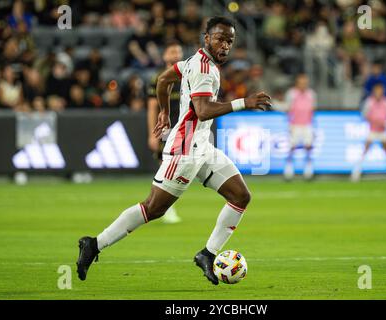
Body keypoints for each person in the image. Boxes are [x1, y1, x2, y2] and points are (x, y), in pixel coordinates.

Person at [76, 16, 271, 285]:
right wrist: (243, 102)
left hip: (202, 147)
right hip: (185, 150)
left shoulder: (194, 62)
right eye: (220, 38)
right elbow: (202, 111)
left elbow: (163, 79)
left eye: (230, 40)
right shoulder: (203, 68)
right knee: (153, 209)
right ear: (206, 38)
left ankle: (207, 254)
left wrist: (166, 113)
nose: (225, 45)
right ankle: (94, 244)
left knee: (240, 196)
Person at [147, 41, 184, 224]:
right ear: (164, 56)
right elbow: (152, 107)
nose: (176, 54)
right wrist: (151, 133)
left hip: (185, 128)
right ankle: (165, 206)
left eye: (178, 51)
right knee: (166, 167)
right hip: (166, 129)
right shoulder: (159, 79)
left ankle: (161, 204)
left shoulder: (187, 76)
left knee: (178, 168)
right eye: (172, 51)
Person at [351, 83, 386, 182]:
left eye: (380, 91)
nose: (378, 93)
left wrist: (385, 122)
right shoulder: (369, 102)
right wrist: (373, 120)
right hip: (373, 130)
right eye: (377, 91)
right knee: (365, 150)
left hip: (383, 131)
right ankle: (356, 171)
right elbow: (364, 114)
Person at [283, 74, 317, 180]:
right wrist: (290, 123)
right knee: (292, 147)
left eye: (305, 83)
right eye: (301, 83)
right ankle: (288, 171)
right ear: (297, 83)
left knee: (308, 147)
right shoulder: (291, 93)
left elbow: (313, 108)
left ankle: (308, 172)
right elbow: (287, 108)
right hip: (295, 124)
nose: (303, 85)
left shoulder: (311, 94)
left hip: (307, 124)